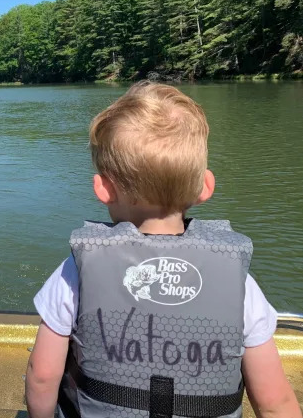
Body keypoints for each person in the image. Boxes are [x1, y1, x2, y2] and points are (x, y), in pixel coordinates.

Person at [25, 82, 301, 418]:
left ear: (103, 189)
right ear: (205, 187)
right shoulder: (236, 281)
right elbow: (274, 403)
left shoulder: (78, 269)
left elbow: (42, 376)